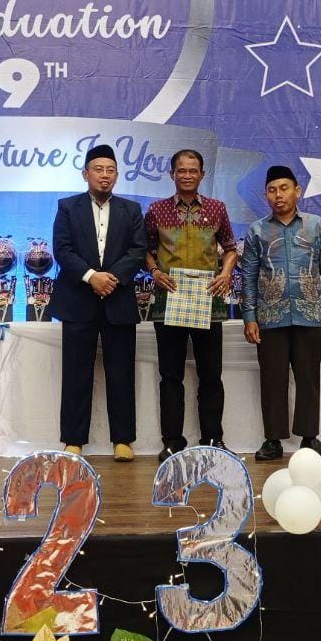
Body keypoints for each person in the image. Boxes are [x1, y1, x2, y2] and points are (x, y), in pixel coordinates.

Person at [49, 143, 147, 461]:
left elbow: (138, 250)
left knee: (121, 372)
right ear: (85, 174)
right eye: (98, 169)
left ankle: (123, 440)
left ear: (116, 176)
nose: (105, 176)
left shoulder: (131, 210)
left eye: (110, 170)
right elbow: (62, 249)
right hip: (78, 300)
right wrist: (92, 276)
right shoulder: (68, 207)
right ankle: (74, 439)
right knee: (76, 373)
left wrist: (111, 278)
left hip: (118, 300)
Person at [241, 165, 321, 462]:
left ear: (297, 191)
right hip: (270, 316)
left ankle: (309, 438)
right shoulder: (257, 230)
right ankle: (272, 440)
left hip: (309, 313)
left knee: (308, 378)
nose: (279, 195)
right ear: (265, 195)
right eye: (272, 190)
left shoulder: (317, 226)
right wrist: (249, 317)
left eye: (284, 188)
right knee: (272, 379)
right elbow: (248, 277)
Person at [144, 149, 236, 462]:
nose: (187, 175)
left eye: (192, 170)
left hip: (208, 300)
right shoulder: (156, 210)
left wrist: (225, 273)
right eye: (181, 170)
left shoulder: (217, 208)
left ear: (202, 175)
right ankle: (172, 441)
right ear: (172, 174)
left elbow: (231, 248)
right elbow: (146, 250)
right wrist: (155, 272)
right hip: (169, 301)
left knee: (211, 375)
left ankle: (213, 438)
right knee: (171, 376)